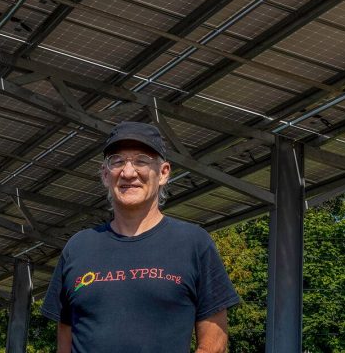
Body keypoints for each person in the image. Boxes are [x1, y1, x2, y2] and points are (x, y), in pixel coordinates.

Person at [41, 121, 240, 352]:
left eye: (141, 161)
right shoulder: (77, 248)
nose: (128, 172)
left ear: (163, 172)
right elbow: (64, 342)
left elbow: (214, 345)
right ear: (106, 175)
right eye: (117, 161)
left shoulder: (194, 243)